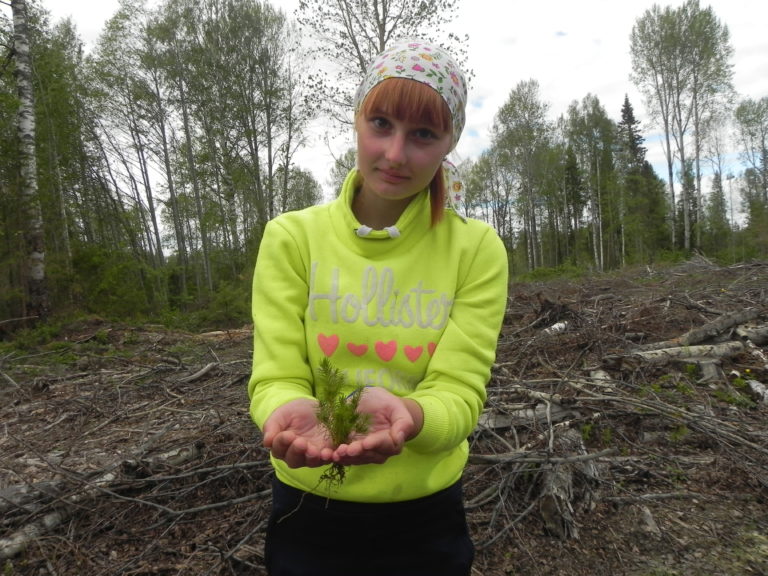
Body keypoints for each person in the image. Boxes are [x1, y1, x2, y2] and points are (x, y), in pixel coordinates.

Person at [247, 38, 509, 576]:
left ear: (449, 143)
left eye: (423, 135)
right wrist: (281, 413)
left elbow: (459, 392)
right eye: (382, 124)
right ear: (357, 120)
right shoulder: (292, 239)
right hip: (307, 510)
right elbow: (274, 375)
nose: (394, 154)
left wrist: (410, 415)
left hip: (425, 518)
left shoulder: (476, 250)